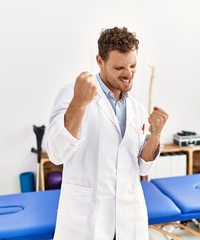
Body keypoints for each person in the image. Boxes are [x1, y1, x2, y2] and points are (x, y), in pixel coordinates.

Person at [46, 27, 169, 240]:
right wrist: (79, 103)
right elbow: (57, 153)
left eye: (133, 66)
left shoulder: (136, 109)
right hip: (87, 222)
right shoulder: (72, 94)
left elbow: (143, 166)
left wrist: (156, 135)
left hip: (128, 220)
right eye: (120, 67)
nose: (128, 74)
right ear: (100, 61)